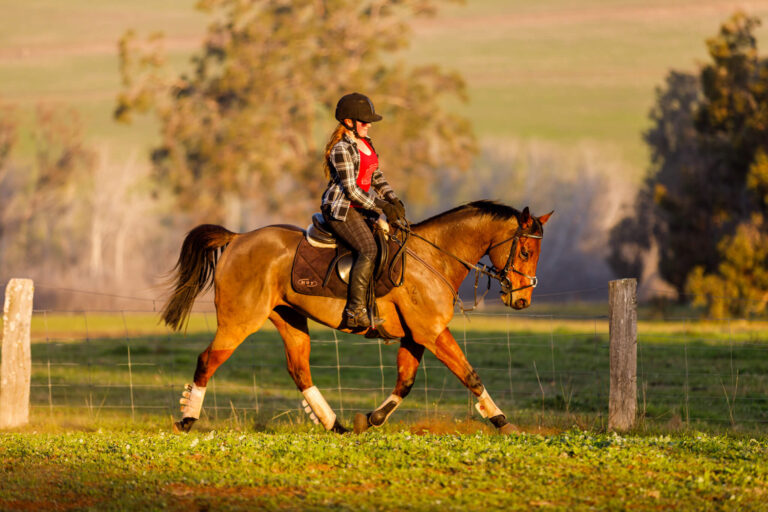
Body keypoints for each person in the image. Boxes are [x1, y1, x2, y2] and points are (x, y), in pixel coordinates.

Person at [321, 92, 406, 328]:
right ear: (349, 122)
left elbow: (376, 176)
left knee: (389, 243)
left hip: (361, 206)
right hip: (341, 208)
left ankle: (375, 303)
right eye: (363, 121)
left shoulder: (366, 143)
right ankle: (354, 312)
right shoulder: (341, 149)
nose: (368, 125)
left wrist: (393, 200)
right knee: (368, 249)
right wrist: (381, 206)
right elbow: (351, 190)